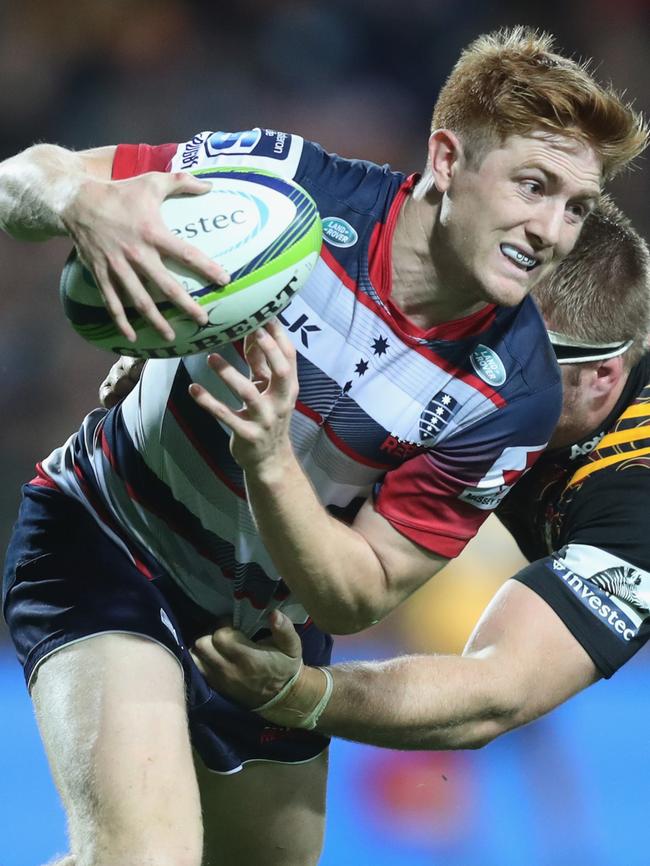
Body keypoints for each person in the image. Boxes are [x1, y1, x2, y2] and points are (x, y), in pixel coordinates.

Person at [1, 28, 645, 866]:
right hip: (111, 538)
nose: (551, 230)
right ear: (447, 160)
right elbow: (21, 178)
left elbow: (359, 597)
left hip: (268, 623)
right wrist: (85, 205)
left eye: (576, 206)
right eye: (533, 186)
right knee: (144, 856)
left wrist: (268, 460)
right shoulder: (286, 183)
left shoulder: (517, 390)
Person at [189, 200, 650, 751]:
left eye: (526, 360)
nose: (485, 376)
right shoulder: (497, 360)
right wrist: (182, 359)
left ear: (605, 374)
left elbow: (499, 688)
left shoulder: (634, 495)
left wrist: (303, 693)